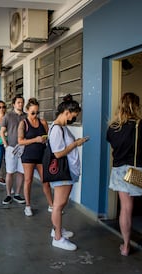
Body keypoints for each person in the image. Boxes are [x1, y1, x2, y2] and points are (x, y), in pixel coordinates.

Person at [107, 92, 142, 256]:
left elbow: (115, 146)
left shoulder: (112, 127)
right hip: (138, 169)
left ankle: (125, 247)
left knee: (126, 209)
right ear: (136, 106)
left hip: (119, 170)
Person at [49, 94, 87, 251]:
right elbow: (58, 153)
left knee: (61, 204)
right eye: (74, 115)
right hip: (63, 172)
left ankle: (57, 229)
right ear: (66, 112)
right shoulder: (57, 129)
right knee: (58, 205)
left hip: (68, 171)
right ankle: (58, 238)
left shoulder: (62, 128)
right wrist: (76, 143)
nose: (75, 118)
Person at [17, 98, 52, 217]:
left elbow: (48, 136)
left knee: (46, 181)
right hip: (28, 156)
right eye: (32, 113)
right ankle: (27, 206)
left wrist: (44, 139)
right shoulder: (23, 123)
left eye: (37, 112)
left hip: (41, 155)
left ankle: (51, 205)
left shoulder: (43, 122)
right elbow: (20, 141)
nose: (35, 115)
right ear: (27, 111)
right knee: (28, 180)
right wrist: (35, 139)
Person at [0, 96, 26, 205]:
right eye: (18, 102)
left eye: (22, 102)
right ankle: (8, 195)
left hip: (23, 147)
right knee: (10, 172)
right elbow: (2, 131)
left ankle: (17, 194)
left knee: (21, 172)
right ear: (14, 104)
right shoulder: (8, 116)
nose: (20, 104)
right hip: (11, 147)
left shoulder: (26, 116)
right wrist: (6, 145)